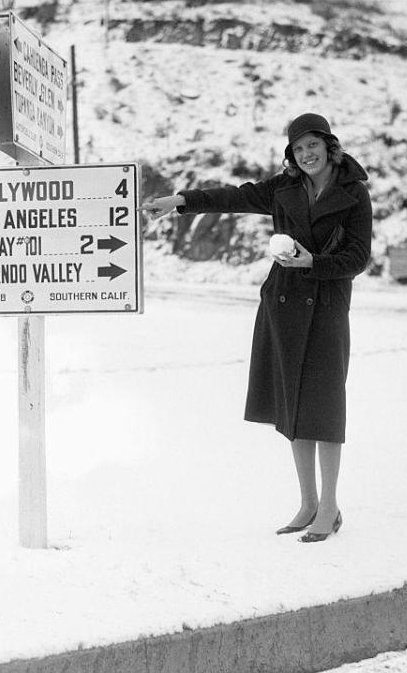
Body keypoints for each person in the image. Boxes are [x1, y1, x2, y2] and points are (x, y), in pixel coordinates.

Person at [142, 113, 372, 543]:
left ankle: (331, 505)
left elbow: (359, 258)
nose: (306, 154)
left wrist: (313, 262)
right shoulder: (282, 188)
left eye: (312, 145)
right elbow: (232, 196)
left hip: (326, 303)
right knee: (293, 405)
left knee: (323, 406)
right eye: (298, 148)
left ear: (329, 145)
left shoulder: (353, 193)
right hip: (283, 303)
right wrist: (179, 201)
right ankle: (308, 503)